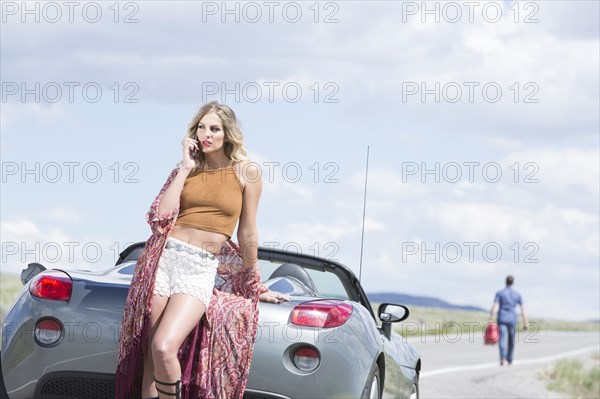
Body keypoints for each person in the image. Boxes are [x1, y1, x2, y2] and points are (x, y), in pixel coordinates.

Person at [116, 101, 289, 399]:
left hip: (198, 268)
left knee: (164, 346)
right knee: (149, 355)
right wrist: (185, 167)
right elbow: (159, 219)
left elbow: (247, 230)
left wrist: (253, 281)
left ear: (228, 134)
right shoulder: (186, 170)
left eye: (214, 128)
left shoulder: (246, 172)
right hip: (162, 259)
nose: (206, 134)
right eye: (201, 127)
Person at [488, 275, 529, 366]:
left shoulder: (500, 293)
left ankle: (502, 358)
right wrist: (526, 322)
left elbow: (494, 306)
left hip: (502, 318)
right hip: (512, 319)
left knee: (501, 339)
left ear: (505, 282)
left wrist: (490, 318)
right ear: (513, 282)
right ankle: (510, 360)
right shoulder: (517, 295)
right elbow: (523, 310)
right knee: (511, 340)